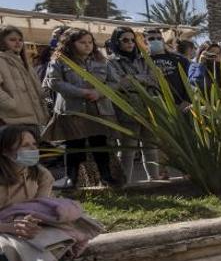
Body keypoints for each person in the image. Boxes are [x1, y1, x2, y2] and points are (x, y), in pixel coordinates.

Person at [0, 126, 75, 261]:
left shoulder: (41, 174)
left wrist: (31, 222)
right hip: (4, 229)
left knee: (55, 242)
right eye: (25, 145)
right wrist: (12, 228)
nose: (32, 150)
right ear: (6, 150)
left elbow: (41, 206)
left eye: (34, 144)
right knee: (4, 253)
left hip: (25, 225)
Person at [42, 28, 120, 188]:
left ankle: (106, 176)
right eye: (82, 42)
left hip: (98, 108)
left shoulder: (102, 61)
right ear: (70, 43)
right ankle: (71, 178)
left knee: (100, 142)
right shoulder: (59, 60)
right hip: (73, 109)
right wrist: (81, 92)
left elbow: (115, 82)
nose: (87, 45)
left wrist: (99, 92)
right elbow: (54, 82)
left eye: (90, 42)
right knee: (74, 144)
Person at [106, 27, 161, 183]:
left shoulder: (144, 58)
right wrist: (141, 79)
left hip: (149, 107)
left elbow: (154, 80)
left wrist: (133, 78)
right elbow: (118, 84)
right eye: (125, 40)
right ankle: (125, 184)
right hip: (127, 108)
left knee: (150, 146)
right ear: (117, 41)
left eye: (132, 40)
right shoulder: (111, 61)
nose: (130, 43)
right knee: (127, 149)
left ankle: (155, 180)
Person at [0, 26, 50, 130]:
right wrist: (12, 105)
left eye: (20, 40)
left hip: (33, 117)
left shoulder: (25, 62)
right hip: (12, 118)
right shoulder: (1, 61)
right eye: (12, 40)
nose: (18, 43)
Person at [144, 29, 192, 109]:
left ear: (163, 40)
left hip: (182, 105)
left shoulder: (179, 59)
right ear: (145, 42)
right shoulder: (143, 61)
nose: (156, 41)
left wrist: (187, 100)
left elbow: (189, 80)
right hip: (159, 107)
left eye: (159, 38)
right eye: (151, 39)